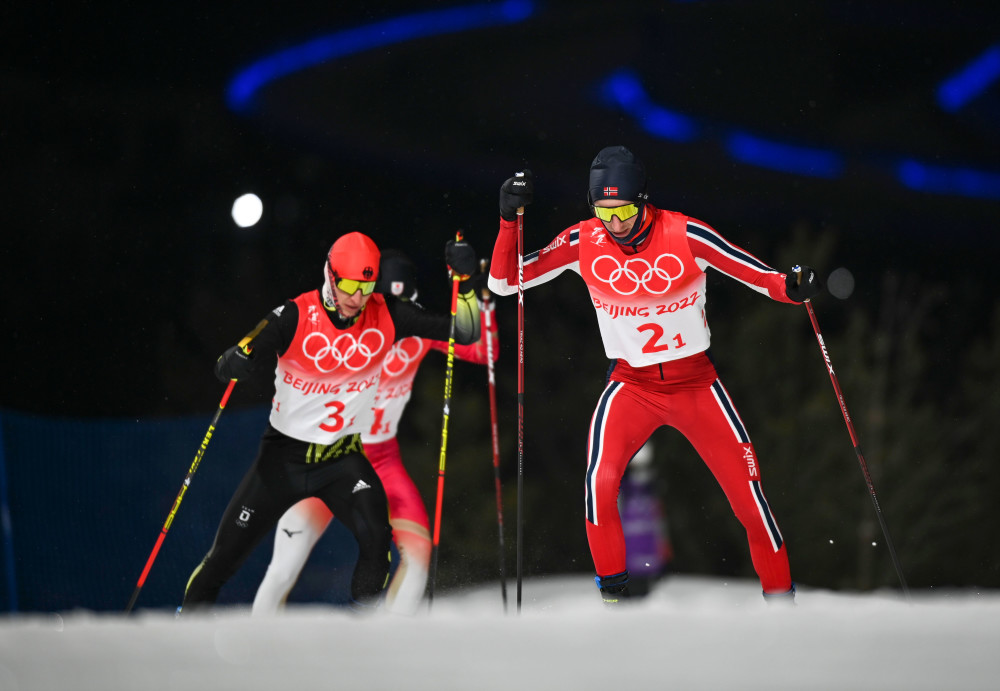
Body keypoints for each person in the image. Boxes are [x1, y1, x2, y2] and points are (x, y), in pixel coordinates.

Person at [487, 146, 821, 605]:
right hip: (632, 386)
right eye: (603, 211)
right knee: (599, 484)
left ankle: (783, 607)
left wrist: (792, 287)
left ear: (643, 199)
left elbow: (760, 276)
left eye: (624, 209)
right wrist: (508, 220)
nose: (615, 223)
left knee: (750, 503)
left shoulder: (685, 233)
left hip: (696, 385)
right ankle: (614, 600)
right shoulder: (584, 241)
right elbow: (505, 283)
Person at [182, 232, 481, 612]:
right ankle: (185, 631)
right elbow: (230, 362)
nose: (358, 298)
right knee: (223, 560)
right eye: (351, 286)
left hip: (342, 458)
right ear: (330, 274)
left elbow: (467, 332)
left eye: (367, 286)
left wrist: (467, 284)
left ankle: (358, 633)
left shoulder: (388, 313)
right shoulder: (294, 314)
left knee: (376, 539)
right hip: (283, 460)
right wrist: (237, 360)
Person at [251, 250, 498, 616]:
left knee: (417, 555)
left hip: (382, 460)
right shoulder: (342, 332)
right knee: (285, 564)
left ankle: (387, 650)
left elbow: (485, 351)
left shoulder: (417, 333)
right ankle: (254, 647)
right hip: (328, 456)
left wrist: (478, 293)